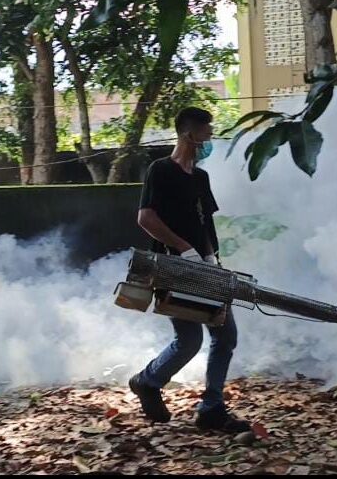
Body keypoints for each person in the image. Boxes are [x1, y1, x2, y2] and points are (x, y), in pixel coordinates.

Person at [128, 107, 251, 434]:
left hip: (203, 267)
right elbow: (146, 219)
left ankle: (211, 407)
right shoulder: (160, 170)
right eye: (206, 132)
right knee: (189, 340)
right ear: (189, 133)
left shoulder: (200, 177)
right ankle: (148, 381)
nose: (210, 139)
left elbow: (205, 223)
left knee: (225, 335)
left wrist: (210, 258)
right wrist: (184, 248)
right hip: (172, 267)